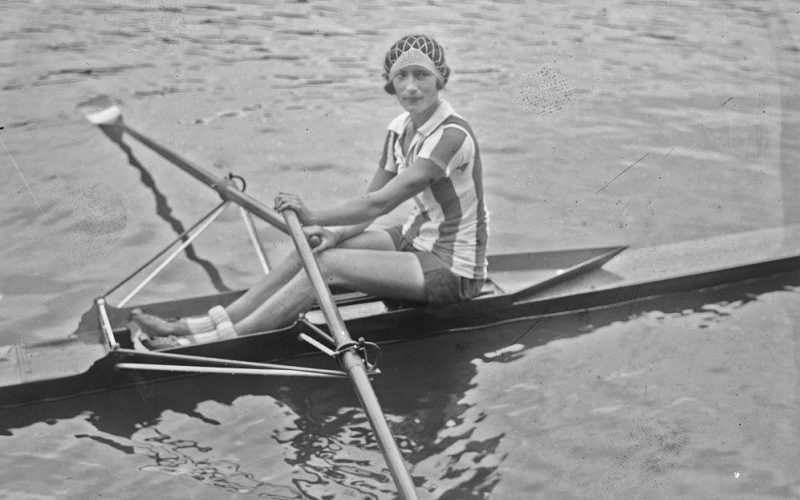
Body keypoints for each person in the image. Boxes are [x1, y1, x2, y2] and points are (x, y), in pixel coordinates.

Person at [131, 34, 489, 348]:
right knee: (313, 248)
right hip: (414, 237)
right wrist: (330, 234)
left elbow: (379, 203)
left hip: (453, 266)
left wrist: (311, 215)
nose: (411, 86)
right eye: (402, 76)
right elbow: (372, 203)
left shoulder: (451, 135)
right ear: (390, 83)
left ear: (440, 80)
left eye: (422, 75)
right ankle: (205, 323)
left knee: (327, 265)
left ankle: (224, 341)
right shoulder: (399, 128)